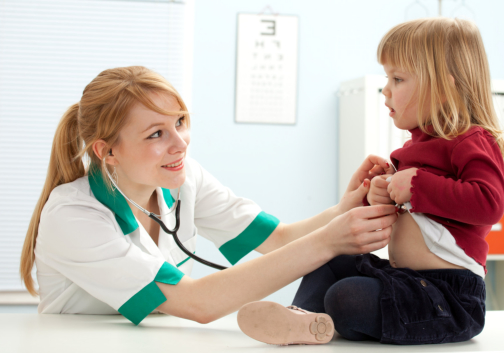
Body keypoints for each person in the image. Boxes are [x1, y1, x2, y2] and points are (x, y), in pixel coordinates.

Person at [19, 66, 398, 326]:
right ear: (107, 152)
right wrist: (331, 240)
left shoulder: (184, 179)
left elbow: (277, 239)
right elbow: (197, 302)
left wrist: (345, 208)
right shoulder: (72, 215)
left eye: (179, 122)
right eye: (156, 134)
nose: (179, 143)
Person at [237, 17, 504, 345]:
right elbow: (408, 217)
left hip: (450, 295)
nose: (386, 90)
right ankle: (302, 318)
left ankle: (329, 319)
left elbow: (489, 204)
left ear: (445, 86)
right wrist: (381, 194)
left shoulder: (474, 141)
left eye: (398, 78)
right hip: (406, 282)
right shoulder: (411, 150)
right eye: (386, 78)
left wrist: (418, 186)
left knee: (347, 297)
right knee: (332, 259)